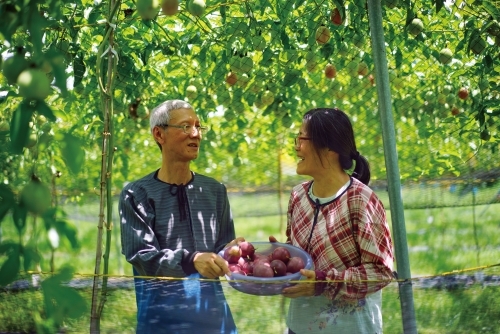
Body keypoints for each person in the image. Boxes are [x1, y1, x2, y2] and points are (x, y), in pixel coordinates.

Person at [118, 99, 242, 334]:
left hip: (213, 319)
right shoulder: (137, 194)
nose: (196, 134)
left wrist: (234, 252)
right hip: (161, 321)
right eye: (186, 126)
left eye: (198, 126)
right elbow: (142, 256)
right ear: (159, 134)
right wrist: (191, 259)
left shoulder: (214, 190)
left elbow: (221, 248)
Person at [270, 107, 395, 333]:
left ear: (329, 148)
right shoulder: (298, 196)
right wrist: (280, 256)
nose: (296, 145)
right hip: (300, 326)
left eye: (302, 138)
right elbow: (304, 259)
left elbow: (381, 272)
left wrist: (323, 282)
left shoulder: (361, 200)